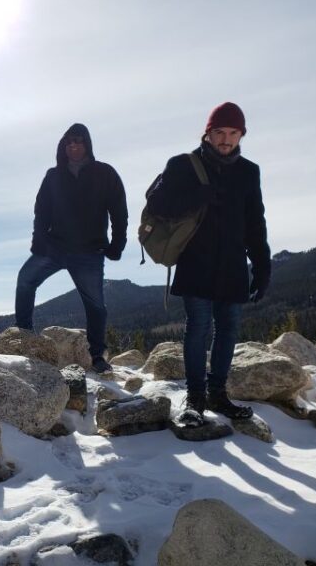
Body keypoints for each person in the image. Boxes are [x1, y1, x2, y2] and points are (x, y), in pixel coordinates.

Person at [146, 102, 270, 427]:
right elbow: (157, 203)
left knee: (228, 329)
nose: (226, 140)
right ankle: (196, 399)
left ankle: (218, 394)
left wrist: (262, 264)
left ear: (241, 135)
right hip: (195, 262)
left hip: (232, 265)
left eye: (233, 133)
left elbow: (255, 223)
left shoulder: (248, 172)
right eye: (220, 132)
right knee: (199, 328)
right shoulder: (182, 165)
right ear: (208, 132)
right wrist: (197, 197)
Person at [15, 123, 127, 373]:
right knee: (25, 280)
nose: (73, 146)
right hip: (54, 248)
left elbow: (119, 211)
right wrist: (39, 243)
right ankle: (23, 338)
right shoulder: (53, 176)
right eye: (69, 142)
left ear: (87, 144)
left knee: (95, 305)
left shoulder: (104, 173)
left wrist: (117, 244)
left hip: (89, 252)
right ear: (63, 146)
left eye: (78, 141)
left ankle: (97, 356)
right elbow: (41, 212)